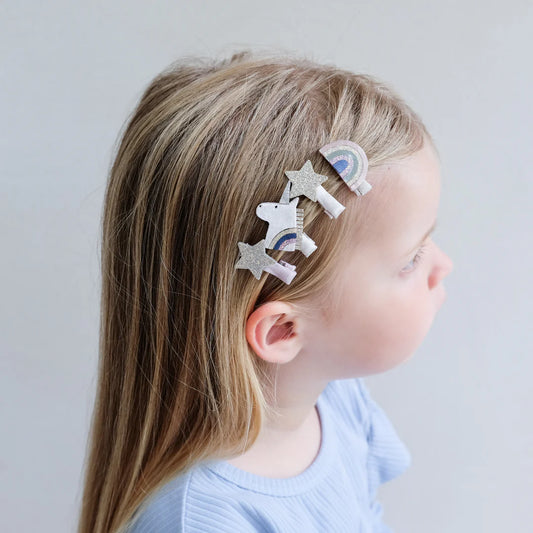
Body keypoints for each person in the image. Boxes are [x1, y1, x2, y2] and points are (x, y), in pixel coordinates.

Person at [77, 49, 454, 533]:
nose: (443, 266)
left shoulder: (335, 399)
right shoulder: (202, 520)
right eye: (411, 259)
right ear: (282, 331)